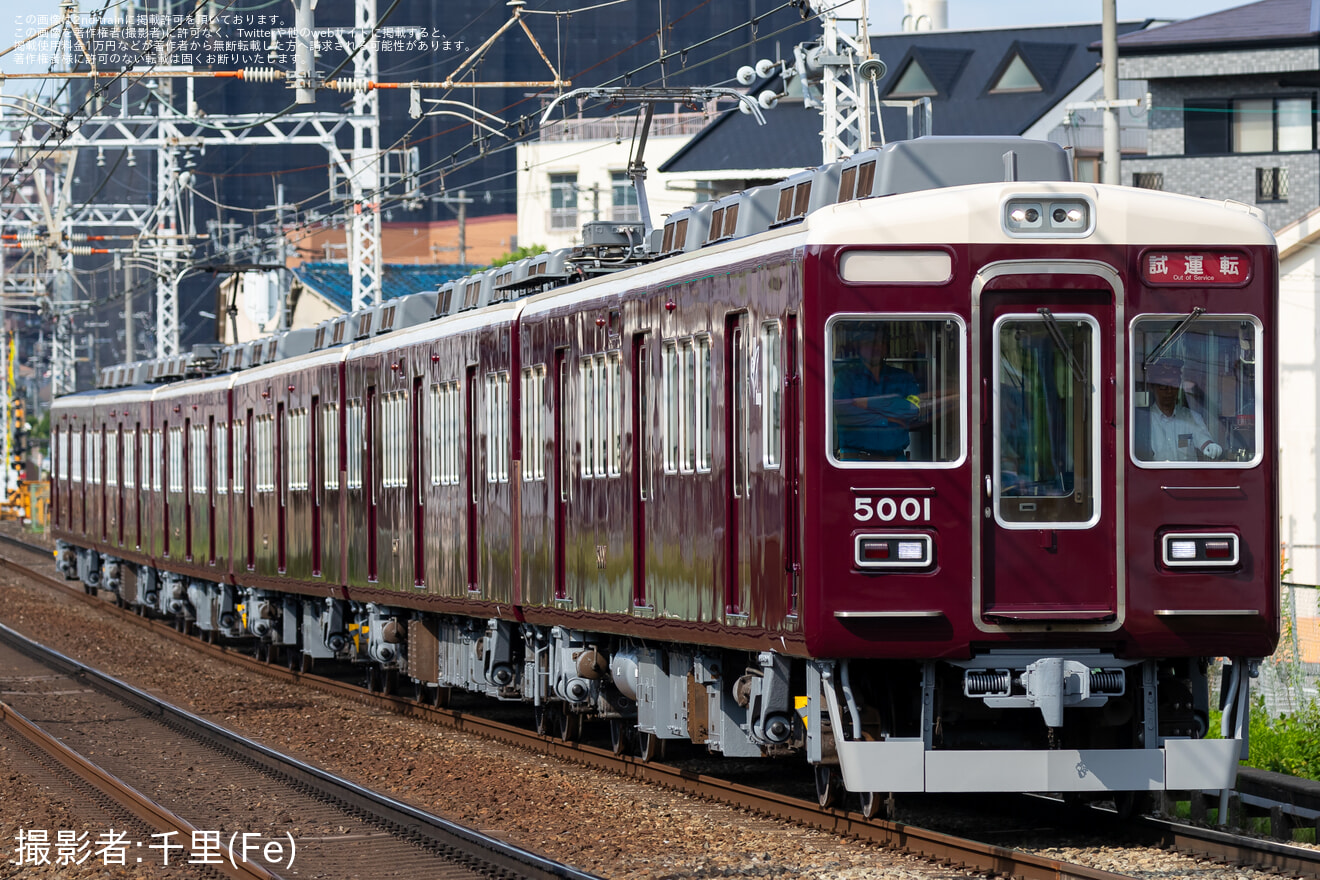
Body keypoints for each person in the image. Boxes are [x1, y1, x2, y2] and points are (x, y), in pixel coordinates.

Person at [833, 326, 921, 461]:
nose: (876, 347)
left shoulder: (904, 378)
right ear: (859, 347)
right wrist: (890, 417)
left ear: (887, 347)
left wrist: (866, 403)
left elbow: (912, 410)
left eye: (881, 342)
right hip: (855, 462)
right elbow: (845, 414)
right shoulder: (845, 378)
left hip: (896, 462)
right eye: (869, 342)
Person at [1142, 359, 1223, 462]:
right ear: (1151, 387)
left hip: (1188, 477)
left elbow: (1205, 442)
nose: (1169, 391)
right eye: (1163, 386)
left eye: (1173, 386)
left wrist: (1212, 448)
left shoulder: (1191, 417)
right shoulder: (1143, 420)